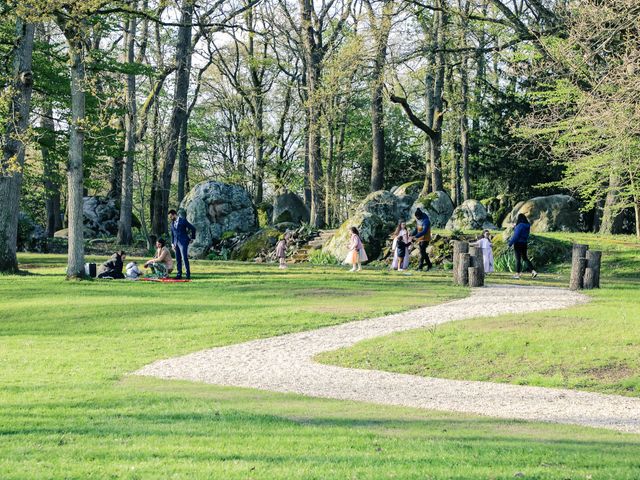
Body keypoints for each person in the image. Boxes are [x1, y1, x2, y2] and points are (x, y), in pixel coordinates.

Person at [508, 213, 538, 279]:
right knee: (525, 258)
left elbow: (516, 236)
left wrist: (510, 243)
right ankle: (533, 271)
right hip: (524, 243)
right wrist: (515, 227)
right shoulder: (527, 226)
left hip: (518, 243)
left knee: (518, 259)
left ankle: (517, 274)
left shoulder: (519, 226)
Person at [169, 209, 196, 279]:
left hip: (183, 242)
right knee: (178, 259)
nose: (170, 218)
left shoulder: (183, 221)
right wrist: (172, 244)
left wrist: (192, 238)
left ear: (175, 214)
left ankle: (188, 275)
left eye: (171, 216)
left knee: (184, 258)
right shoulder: (172, 223)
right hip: (175, 243)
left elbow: (193, 228)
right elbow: (172, 234)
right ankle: (179, 274)